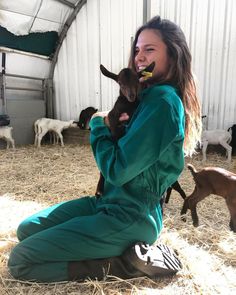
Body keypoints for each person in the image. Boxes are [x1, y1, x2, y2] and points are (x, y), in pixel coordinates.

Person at [8, 15, 201, 283]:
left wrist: (98, 125)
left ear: (173, 54)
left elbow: (118, 171)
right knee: (26, 230)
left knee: (21, 261)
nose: (139, 57)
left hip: (130, 216)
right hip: (106, 202)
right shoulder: (142, 99)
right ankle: (99, 247)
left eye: (150, 49)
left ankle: (122, 266)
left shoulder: (163, 102)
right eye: (137, 50)